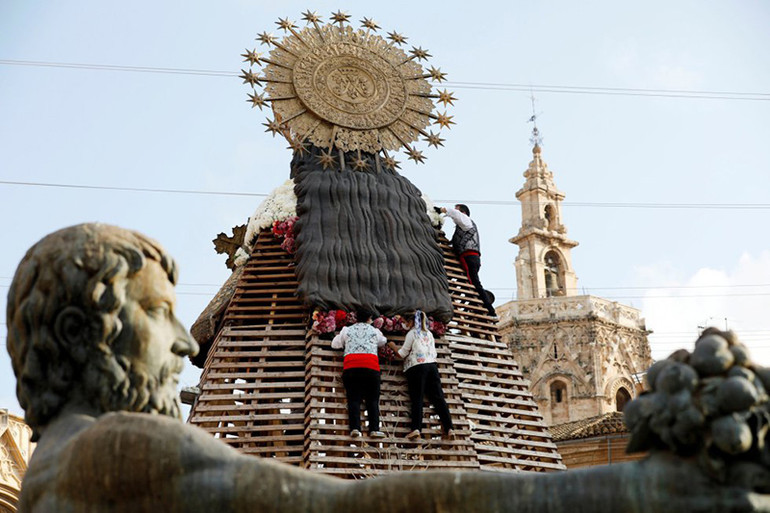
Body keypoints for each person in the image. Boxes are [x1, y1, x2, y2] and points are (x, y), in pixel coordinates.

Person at [8, 224, 768, 513]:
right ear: (82, 332)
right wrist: (638, 488)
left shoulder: (55, 465)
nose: (182, 342)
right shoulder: (116, 453)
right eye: (154, 312)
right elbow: (352, 506)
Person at [387, 311, 453, 440]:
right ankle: (449, 427)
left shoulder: (412, 334)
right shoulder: (429, 333)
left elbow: (402, 353)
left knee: (417, 398)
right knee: (439, 398)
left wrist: (392, 346)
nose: (404, 325)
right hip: (432, 367)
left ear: (411, 322)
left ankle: (416, 428)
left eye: (405, 322)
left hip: (417, 367)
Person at [331, 310, 387, 438]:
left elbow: (335, 344)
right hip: (370, 367)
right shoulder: (374, 331)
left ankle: (355, 428)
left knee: (353, 399)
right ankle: (374, 429)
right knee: (372, 399)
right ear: (370, 318)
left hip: (351, 367)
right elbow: (383, 341)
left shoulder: (346, 330)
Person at [440, 204, 496, 317]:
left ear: (463, 213)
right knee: (468, 282)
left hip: (469, 257)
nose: (455, 212)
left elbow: (455, 214)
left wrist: (442, 210)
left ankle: (490, 310)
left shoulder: (466, 221)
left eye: (457, 210)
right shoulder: (461, 227)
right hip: (467, 257)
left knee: (473, 283)